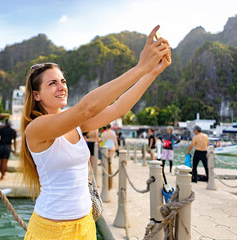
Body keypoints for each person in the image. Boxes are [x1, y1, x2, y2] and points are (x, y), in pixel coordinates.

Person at [20, 25, 171, 240]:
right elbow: (86, 107)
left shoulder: (75, 123)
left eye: (63, 81)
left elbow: (118, 108)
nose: (61, 87)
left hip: (85, 225)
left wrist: (151, 73)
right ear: (36, 95)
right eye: (52, 83)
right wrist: (139, 68)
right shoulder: (36, 128)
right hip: (50, 229)